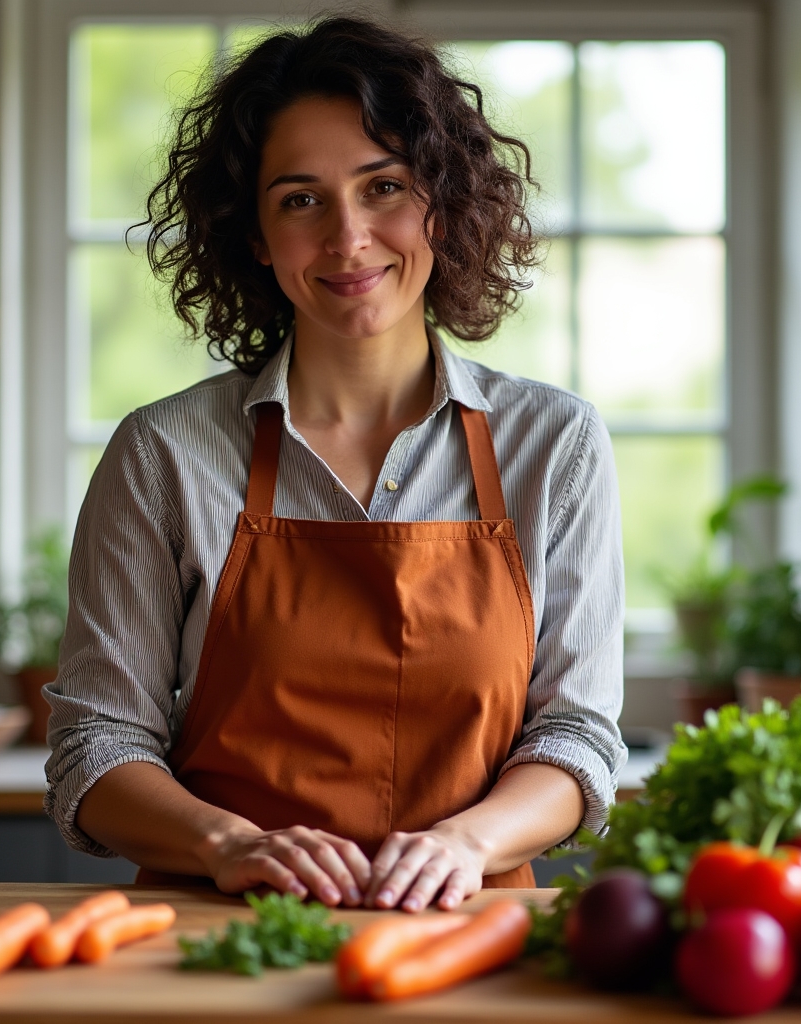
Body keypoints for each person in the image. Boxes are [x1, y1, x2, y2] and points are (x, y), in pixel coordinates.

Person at [44, 15, 626, 914]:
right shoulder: (163, 454)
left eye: (383, 186)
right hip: (217, 939)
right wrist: (230, 843)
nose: (349, 238)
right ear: (254, 234)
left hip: (463, 940)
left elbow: (577, 736)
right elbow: (96, 746)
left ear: (441, 200)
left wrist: (465, 842)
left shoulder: (554, 444)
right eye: (301, 199)